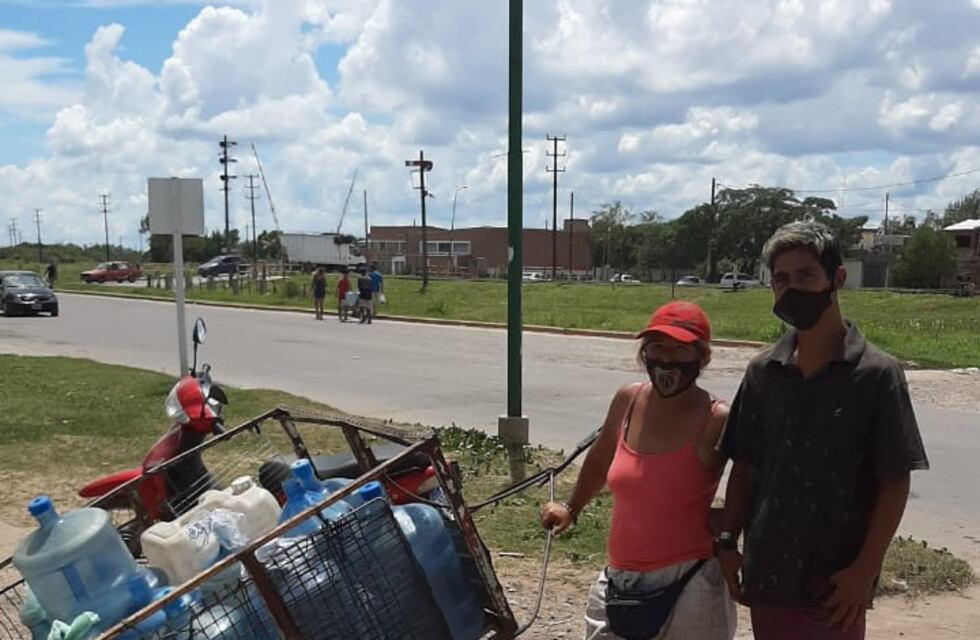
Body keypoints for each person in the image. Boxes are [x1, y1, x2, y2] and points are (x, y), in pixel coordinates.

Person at [717, 221, 929, 640]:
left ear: (838, 278)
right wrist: (727, 542)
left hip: (836, 586)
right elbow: (744, 468)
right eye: (781, 279)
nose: (792, 288)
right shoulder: (764, 372)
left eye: (806, 275)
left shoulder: (876, 374)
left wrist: (864, 571)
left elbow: (894, 481)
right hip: (769, 576)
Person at [540, 301, 737, 640]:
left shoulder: (717, 418)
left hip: (691, 577)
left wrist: (730, 525)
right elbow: (600, 461)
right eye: (658, 346)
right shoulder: (628, 401)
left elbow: (755, 478)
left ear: (702, 357)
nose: (667, 358)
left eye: (679, 349)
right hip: (620, 577)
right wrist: (571, 508)